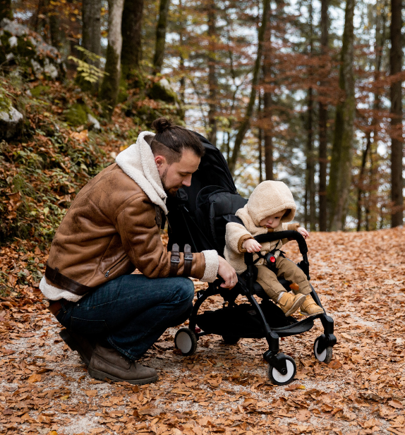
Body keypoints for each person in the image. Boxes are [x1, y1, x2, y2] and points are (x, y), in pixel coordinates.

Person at [40, 118, 237, 385]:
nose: (189, 183)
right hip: (75, 303)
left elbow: (147, 254)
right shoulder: (135, 197)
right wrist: (212, 263)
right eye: (183, 174)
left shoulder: (127, 173)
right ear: (159, 162)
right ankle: (113, 353)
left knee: (177, 297)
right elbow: (154, 264)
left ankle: (90, 339)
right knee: (180, 293)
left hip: (75, 291)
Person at [224, 180, 323, 317]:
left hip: (273, 258)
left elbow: (284, 228)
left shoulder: (275, 224)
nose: (271, 221)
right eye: (267, 216)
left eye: (277, 217)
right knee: (267, 276)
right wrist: (246, 241)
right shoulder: (243, 218)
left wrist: (296, 229)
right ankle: (284, 300)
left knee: (295, 270)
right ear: (257, 209)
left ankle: (306, 300)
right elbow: (233, 231)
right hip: (252, 265)